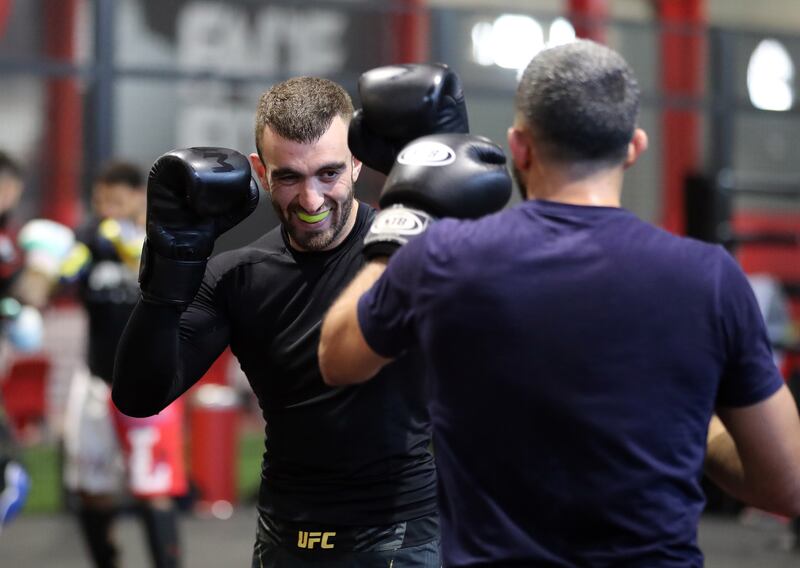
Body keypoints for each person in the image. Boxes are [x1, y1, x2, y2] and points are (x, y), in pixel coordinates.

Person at [317, 40, 800, 567]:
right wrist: (681, 418)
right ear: (634, 147)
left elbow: (337, 357)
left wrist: (405, 209)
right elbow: (787, 485)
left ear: (518, 146)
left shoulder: (442, 258)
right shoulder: (710, 279)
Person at [112, 65, 473, 567]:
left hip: (401, 536)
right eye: (289, 177)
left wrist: (453, 193)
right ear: (261, 172)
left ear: (356, 164)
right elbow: (139, 396)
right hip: (283, 539)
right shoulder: (237, 275)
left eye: (328, 173)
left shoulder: (407, 252)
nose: (310, 200)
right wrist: (164, 282)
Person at [61, 161, 187, 567]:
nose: (108, 211)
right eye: (101, 202)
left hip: (149, 382)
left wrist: (133, 246)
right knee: (91, 488)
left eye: (116, 202)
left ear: (138, 198)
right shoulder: (88, 239)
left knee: (153, 487)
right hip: (97, 378)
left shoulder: (160, 241)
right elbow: (59, 279)